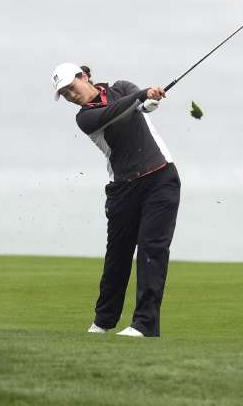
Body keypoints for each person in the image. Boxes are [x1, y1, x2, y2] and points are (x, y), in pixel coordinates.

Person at [52, 62, 180, 338]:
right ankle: (104, 321)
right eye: (65, 94)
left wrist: (149, 100)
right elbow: (115, 112)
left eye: (71, 87)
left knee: (152, 250)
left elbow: (139, 105)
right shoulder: (85, 118)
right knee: (117, 257)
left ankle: (144, 325)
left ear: (84, 76)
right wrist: (142, 96)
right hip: (123, 188)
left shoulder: (121, 88)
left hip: (161, 179)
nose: (71, 95)